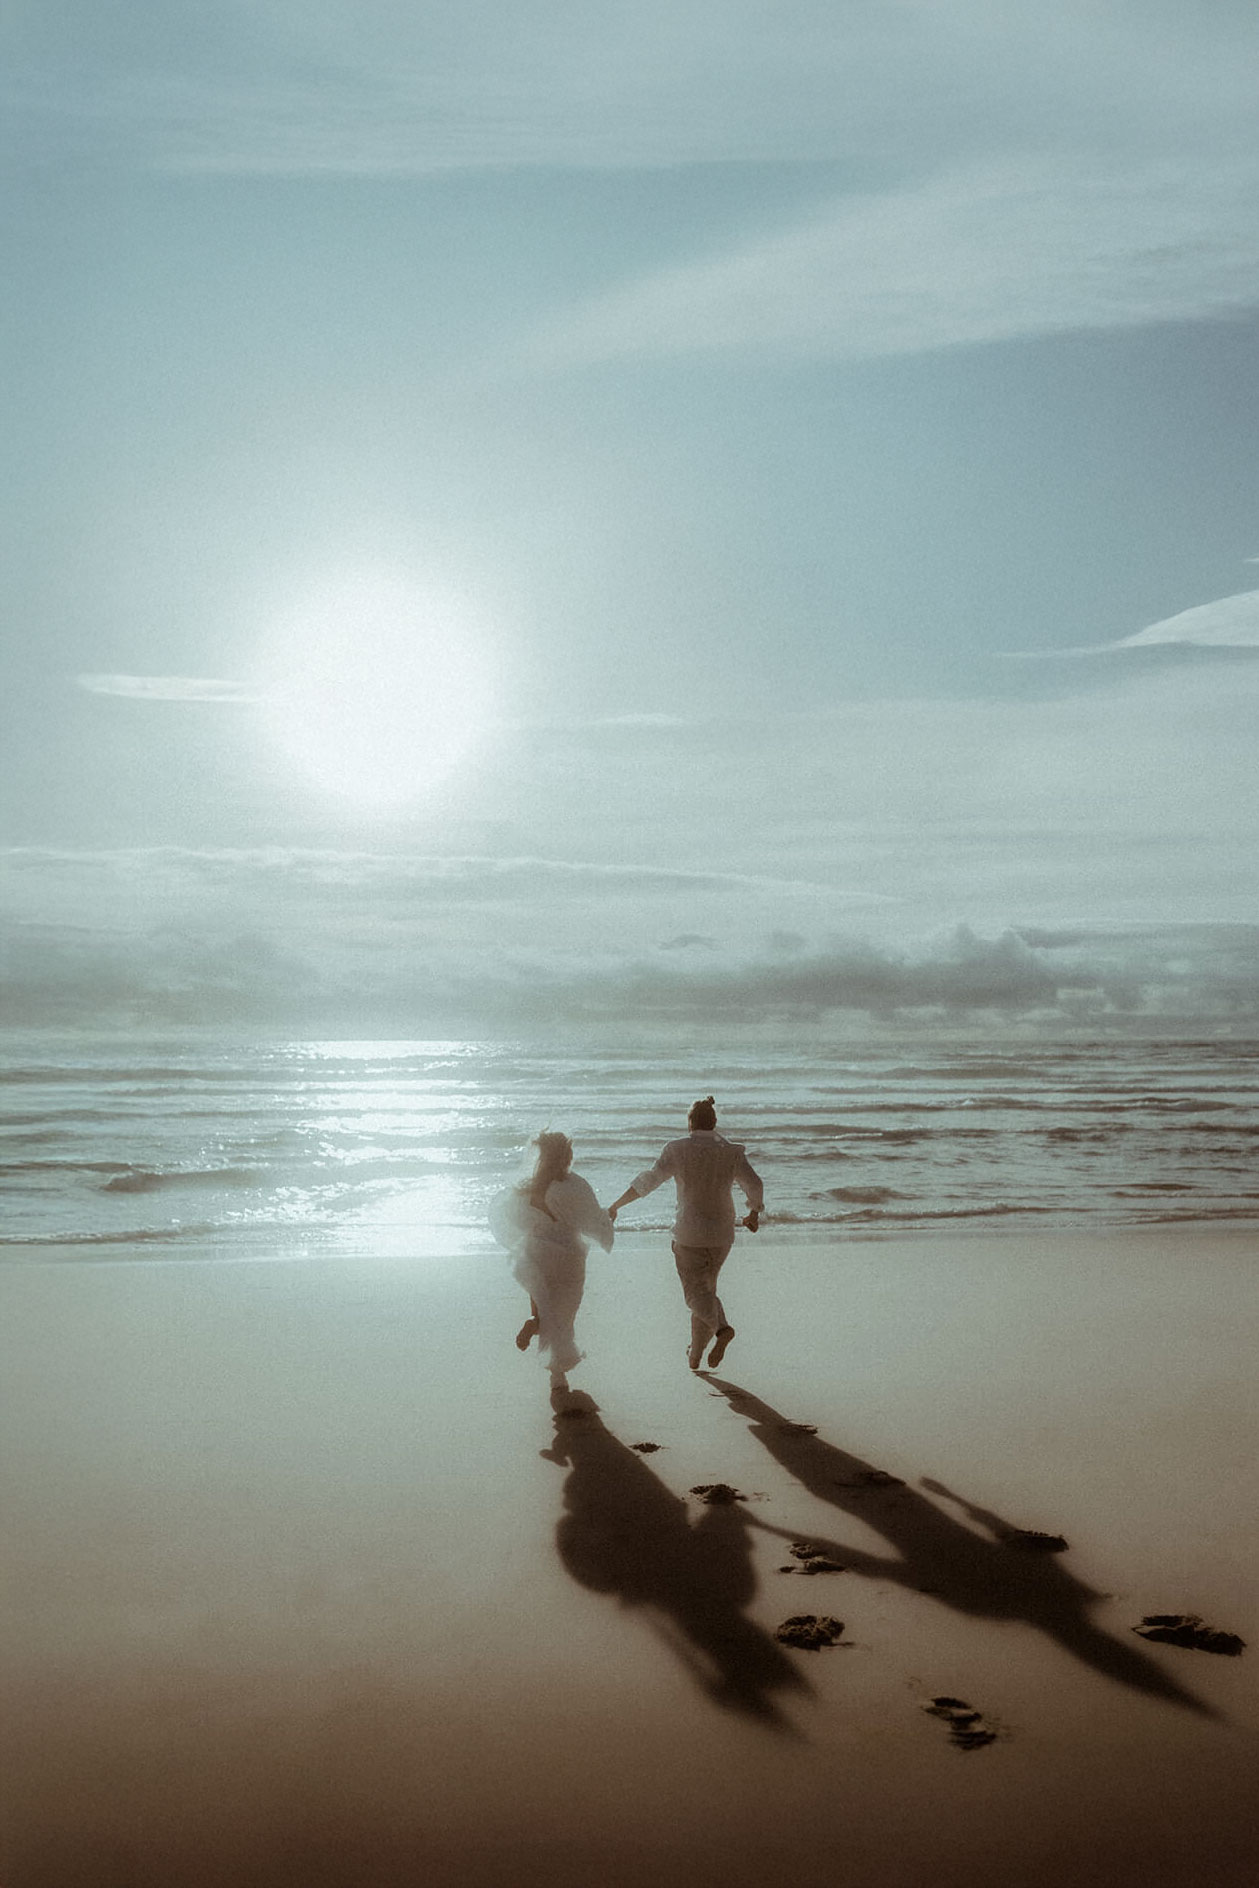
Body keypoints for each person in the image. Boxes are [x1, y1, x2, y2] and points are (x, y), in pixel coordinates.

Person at [609, 1096, 763, 1371]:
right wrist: (753, 1212)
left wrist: (617, 1205)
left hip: (689, 1233)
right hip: (722, 1235)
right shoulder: (731, 1152)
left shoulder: (677, 1149)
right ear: (714, 1122)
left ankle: (722, 1328)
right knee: (706, 1293)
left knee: (695, 1296)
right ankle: (695, 1355)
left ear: (690, 1123)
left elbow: (649, 1181)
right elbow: (754, 1183)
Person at [489, 1131, 614, 1389]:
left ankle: (537, 1322)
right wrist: (607, 1220)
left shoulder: (528, 1187)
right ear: (567, 1156)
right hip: (569, 1255)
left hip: (537, 1251)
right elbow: (591, 1219)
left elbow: (508, 1215)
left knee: (542, 1296)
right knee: (564, 1313)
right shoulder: (574, 1185)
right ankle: (557, 1370)